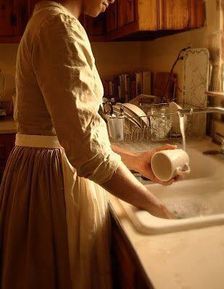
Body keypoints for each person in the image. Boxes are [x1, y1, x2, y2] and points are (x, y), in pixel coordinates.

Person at [0, 1, 177, 289]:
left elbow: (73, 133)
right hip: (54, 181)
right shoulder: (59, 27)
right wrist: (159, 208)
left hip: (42, 173)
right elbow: (86, 151)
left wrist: (134, 160)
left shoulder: (46, 20)